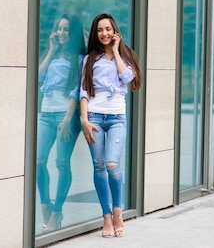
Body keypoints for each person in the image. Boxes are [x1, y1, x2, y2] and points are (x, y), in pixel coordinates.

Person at [79, 13, 142, 238]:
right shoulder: (89, 60)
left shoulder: (126, 55)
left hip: (116, 118)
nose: (103, 33)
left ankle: (118, 212)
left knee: (112, 164)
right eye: (99, 30)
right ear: (95, 34)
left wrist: (116, 51)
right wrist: (84, 120)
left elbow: (128, 79)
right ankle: (106, 217)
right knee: (99, 167)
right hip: (94, 118)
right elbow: (84, 91)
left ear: (114, 31)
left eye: (107, 29)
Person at [36, 14, 86, 232]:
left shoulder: (79, 58)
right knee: (37, 161)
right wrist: (50, 49)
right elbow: (38, 76)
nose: (62, 33)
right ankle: (46, 207)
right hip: (46, 114)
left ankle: (57, 212)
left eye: (66, 29)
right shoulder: (54, 53)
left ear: (73, 32)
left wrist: (67, 120)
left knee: (61, 163)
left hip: (66, 116)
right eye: (60, 28)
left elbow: (77, 89)